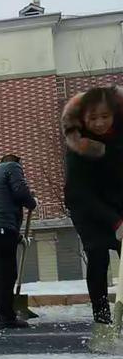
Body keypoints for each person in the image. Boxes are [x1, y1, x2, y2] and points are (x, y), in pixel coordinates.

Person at [62, 85, 123, 324]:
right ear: (83, 118)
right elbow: (81, 193)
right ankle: (102, 316)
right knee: (98, 255)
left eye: (105, 117)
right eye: (93, 118)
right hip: (87, 207)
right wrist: (114, 221)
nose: (99, 123)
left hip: (117, 202)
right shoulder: (79, 148)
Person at [0, 154, 37, 329]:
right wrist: (32, 202)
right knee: (7, 272)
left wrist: (17, 236)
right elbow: (19, 191)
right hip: (3, 226)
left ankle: (3, 315)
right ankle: (7, 317)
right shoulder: (13, 167)